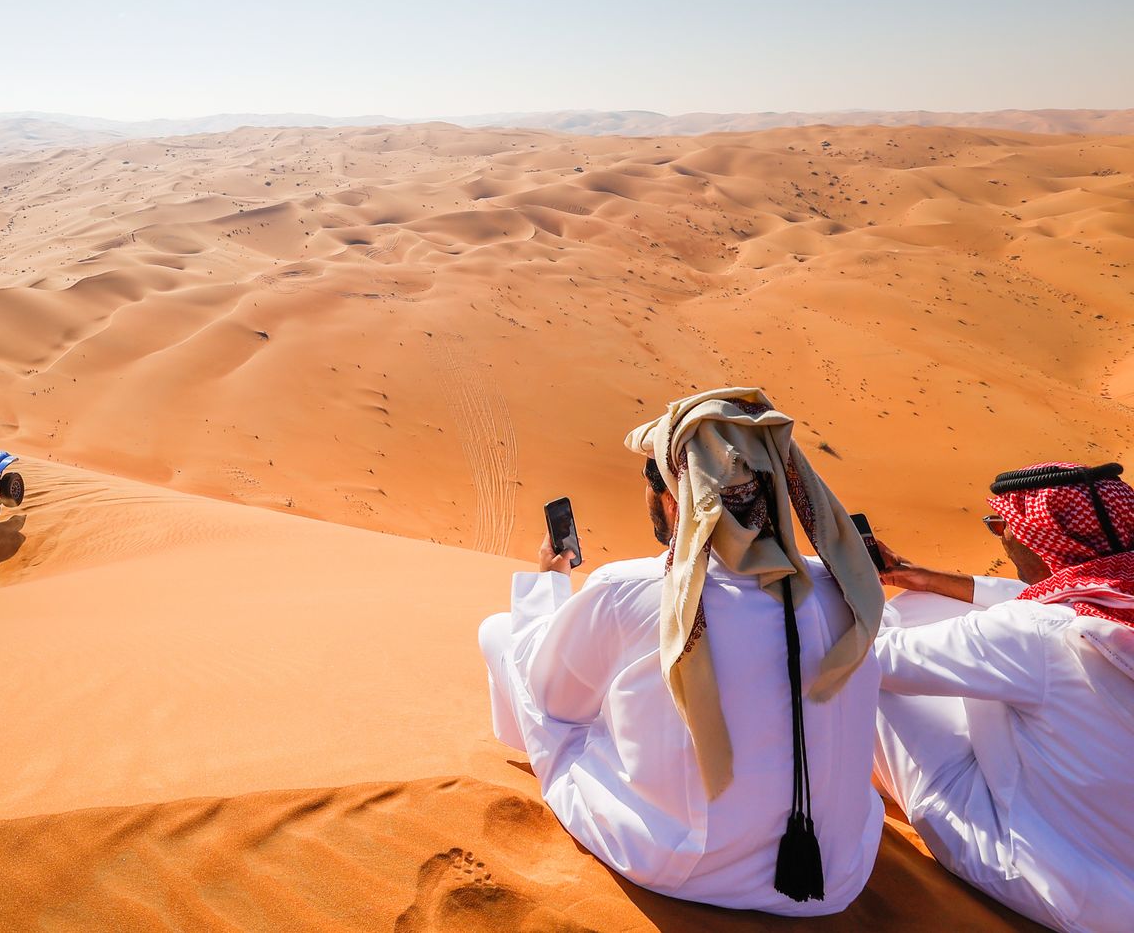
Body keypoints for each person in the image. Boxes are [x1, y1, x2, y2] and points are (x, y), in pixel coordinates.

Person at [478, 388, 886, 915]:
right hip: (839, 873)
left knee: (502, 636)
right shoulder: (845, 587)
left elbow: (552, 698)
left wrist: (549, 588)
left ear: (677, 496)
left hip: (684, 869)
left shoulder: (634, 588)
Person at [873, 462, 1134, 933]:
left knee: (868, 675)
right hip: (1120, 873)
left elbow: (874, 659)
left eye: (1001, 525)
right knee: (928, 607)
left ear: (1037, 535)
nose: (1002, 540)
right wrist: (927, 579)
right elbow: (1041, 598)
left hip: (1052, 878)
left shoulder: (1034, 634)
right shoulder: (1116, 598)